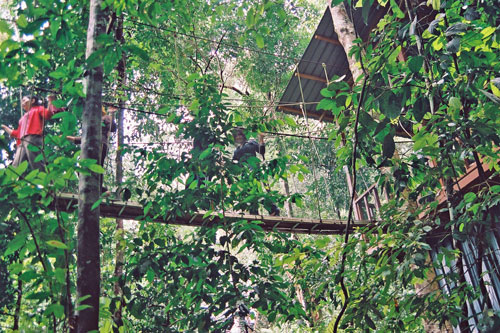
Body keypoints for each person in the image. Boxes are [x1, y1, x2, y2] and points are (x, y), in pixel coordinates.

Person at [1, 95, 64, 171]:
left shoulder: (38, 109)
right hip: (21, 141)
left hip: (32, 137)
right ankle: (16, 181)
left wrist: (51, 101)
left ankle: (45, 180)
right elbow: (17, 133)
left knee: (35, 161)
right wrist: (4, 127)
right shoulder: (23, 118)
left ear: (33, 101)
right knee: (16, 165)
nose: (22, 103)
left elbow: (47, 115)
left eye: (24, 100)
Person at [66, 106, 117, 192]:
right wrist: (70, 138)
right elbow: (86, 138)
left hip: (100, 144)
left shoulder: (104, 118)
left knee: (97, 165)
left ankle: (99, 188)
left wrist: (111, 114)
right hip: (91, 144)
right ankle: (93, 186)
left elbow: (112, 128)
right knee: (84, 165)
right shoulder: (91, 123)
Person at [232, 128, 279, 216]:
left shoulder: (251, 143)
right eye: (236, 136)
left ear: (243, 135)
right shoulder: (236, 151)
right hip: (245, 174)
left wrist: (261, 139)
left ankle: (273, 209)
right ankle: (254, 213)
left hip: (254, 170)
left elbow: (261, 151)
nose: (238, 137)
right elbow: (234, 166)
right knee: (251, 194)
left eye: (240, 135)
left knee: (258, 192)